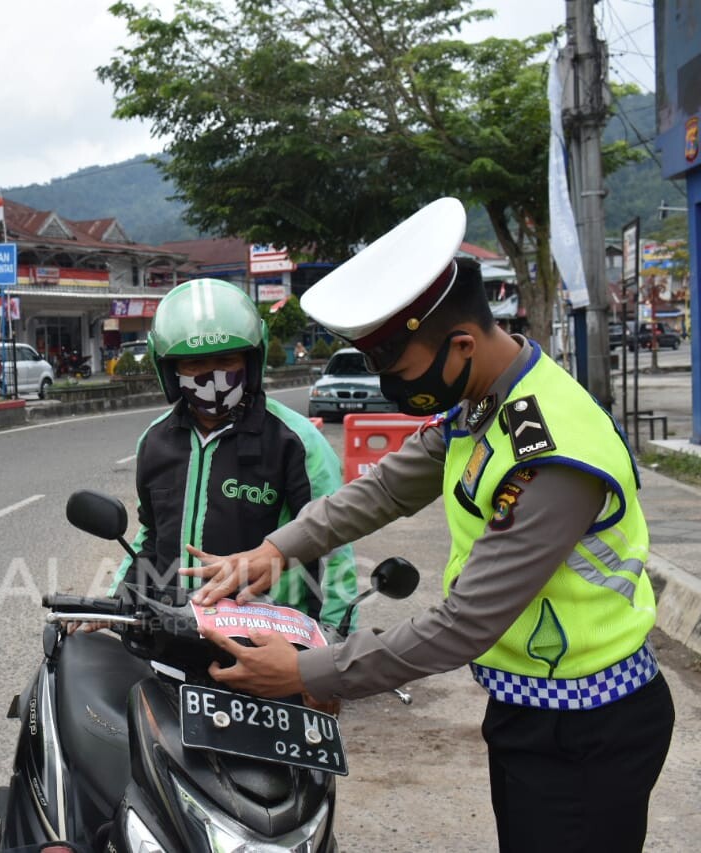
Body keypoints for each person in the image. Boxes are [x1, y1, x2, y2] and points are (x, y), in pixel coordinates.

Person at [185, 198, 675, 852]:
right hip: (532, 707)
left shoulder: (552, 454)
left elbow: (464, 624)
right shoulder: (488, 399)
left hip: (589, 727)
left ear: (462, 343)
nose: (391, 386)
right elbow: (387, 486)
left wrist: (310, 671)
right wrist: (274, 549)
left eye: (399, 369)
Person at [108, 278, 356, 630]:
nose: (211, 376)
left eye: (225, 359)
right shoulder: (155, 441)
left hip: (267, 636)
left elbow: (332, 550)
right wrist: (114, 602)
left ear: (252, 360)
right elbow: (150, 536)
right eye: (193, 364)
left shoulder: (297, 441)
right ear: (170, 369)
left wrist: (332, 645)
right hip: (170, 630)